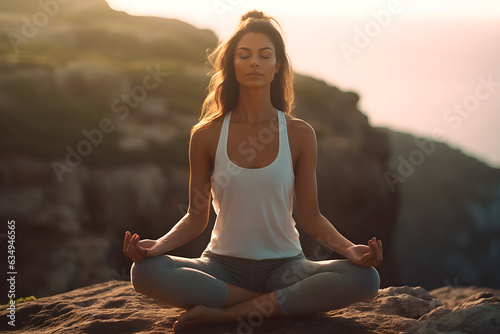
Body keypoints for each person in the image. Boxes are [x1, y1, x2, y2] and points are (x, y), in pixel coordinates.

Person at [123, 10, 382, 330]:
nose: (255, 62)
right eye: (244, 55)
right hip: (220, 268)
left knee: (365, 278)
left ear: (277, 66)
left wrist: (350, 250)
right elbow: (195, 216)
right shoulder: (206, 135)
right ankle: (274, 303)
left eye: (264, 55)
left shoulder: (300, 134)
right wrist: (157, 246)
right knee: (145, 272)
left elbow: (311, 216)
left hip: (285, 269)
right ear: (232, 65)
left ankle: (228, 312)